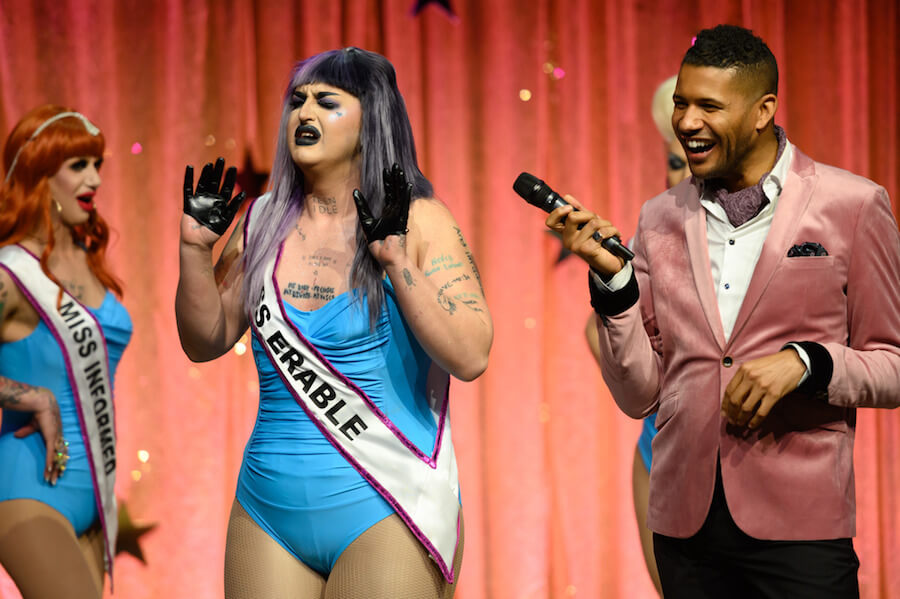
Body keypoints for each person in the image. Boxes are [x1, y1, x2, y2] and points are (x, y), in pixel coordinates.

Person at [548, 24, 900, 598]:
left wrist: (807, 362)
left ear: (764, 110)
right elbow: (641, 393)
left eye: (709, 106)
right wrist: (613, 283)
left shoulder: (853, 206)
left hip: (801, 527)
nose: (687, 121)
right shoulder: (659, 217)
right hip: (685, 527)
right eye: (683, 103)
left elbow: (892, 362)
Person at [176, 47, 492, 599]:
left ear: (373, 120)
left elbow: (471, 355)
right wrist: (194, 251)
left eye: (327, 101)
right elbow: (203, 342)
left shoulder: (420, 220)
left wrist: (395, 262)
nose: (304, 113)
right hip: (267, 511)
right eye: (297, 101)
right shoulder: (260, 221)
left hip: (388, 505)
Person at [0, 105, 132, 598]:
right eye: (78, 165)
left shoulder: (86, 257)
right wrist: (34, 396)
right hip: (28, 485)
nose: (95, 178)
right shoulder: (10, 272)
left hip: (93, 491)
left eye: (96, 163)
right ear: (38, 173)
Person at [584, 74, 689, 596]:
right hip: (662, 459)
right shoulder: (651, 234)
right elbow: (594, 329)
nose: (685, 169)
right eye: (674, 159)